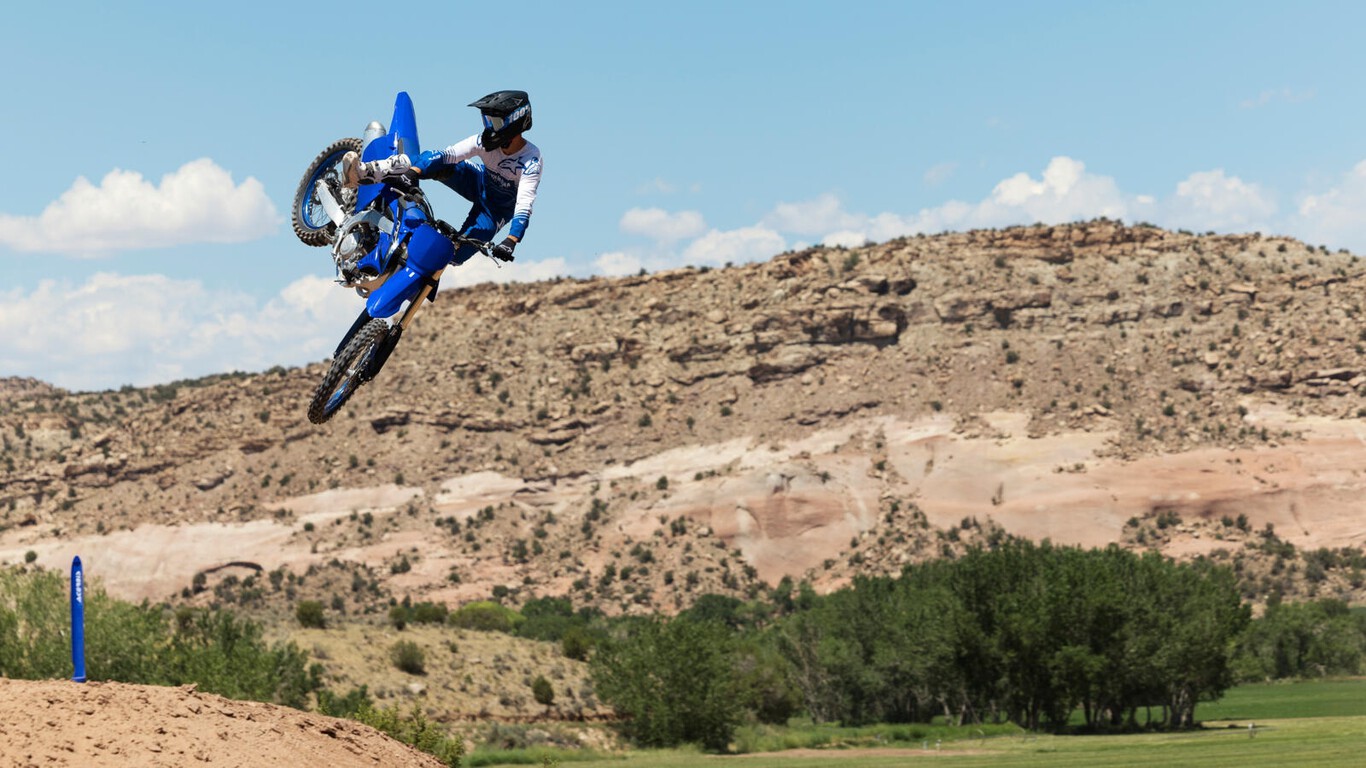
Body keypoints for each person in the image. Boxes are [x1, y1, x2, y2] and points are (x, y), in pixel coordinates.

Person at [344, 89, 542, 265]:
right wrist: (413, 172)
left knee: (455, 255)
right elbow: (449, 154)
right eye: (487, 120)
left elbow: (524, 205)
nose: (489, 127)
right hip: (478, 181)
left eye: (495, 122)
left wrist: (511, 240)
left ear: (514, 123)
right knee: (433, 159)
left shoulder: (531, 160)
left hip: (495, 211)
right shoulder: (483, 141)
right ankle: (364, 172)